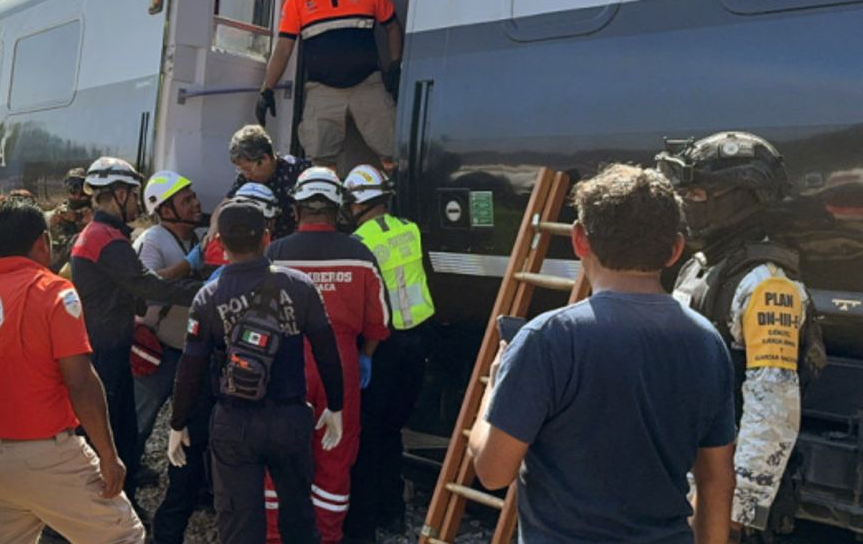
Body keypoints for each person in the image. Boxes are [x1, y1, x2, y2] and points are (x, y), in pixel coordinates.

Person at [468, 164, 736, 543]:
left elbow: (493, 472)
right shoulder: (707, 342)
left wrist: (492, 389)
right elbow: (717, 481)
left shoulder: (549, 338)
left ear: (579, 240)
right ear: (675, 250)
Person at [0, 196, 144, 543]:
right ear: (42, 243)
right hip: (50, 457)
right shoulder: (55, 291)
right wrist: (109, 456)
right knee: (124, 537)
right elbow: (80, 382)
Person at [658, 132, 826, 538]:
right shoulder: (699, 268)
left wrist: (740, 508)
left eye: (698, 194)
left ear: (742, 197)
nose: (687, 203)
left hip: (721, 495)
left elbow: (773, 403)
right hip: (688, 475)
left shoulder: (767, 286)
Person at [168, 200, 345, 543]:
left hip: (234, 423)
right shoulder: (300, 286)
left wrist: (178, 422)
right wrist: (335, 405)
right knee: (299, 520)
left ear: (218, 241)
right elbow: (327, 354)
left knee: (238, 526)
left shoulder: (208, 297)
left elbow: (189, 369)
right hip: (291, 419)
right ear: (266, 237)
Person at [264, 167, 389, 544]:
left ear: (297, 208)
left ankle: (274, 536)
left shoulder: (274, 254)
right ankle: (326, 537)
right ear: (338, 208)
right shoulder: (361, 255)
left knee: (278, 456)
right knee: (335, 458)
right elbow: (380, 324)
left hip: (285, 364)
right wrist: (364, 355)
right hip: (342, 363)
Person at [69, 157, 201, 507]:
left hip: (103, 350)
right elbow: (147, 286)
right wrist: (205, 292)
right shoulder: (106, 238)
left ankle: (115, 509)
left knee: (119, 435)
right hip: (105, 355)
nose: (138, 200)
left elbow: (130, 292)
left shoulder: (101, 235)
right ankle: (107, 515)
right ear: (117, 194)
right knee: (116, 438)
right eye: (133, 192)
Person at [256, 0, 402, 173]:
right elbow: (283, 48)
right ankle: (326, 208)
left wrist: (396, 65)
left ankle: (397, 203)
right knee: (321, 162)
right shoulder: (298, 0)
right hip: (322, 90)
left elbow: (392, 28)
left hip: (367, 84)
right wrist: (266, 89)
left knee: (394, 151)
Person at [341, 164, 434, 539]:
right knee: (393, 430)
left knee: (369, 433)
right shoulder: (409, 230)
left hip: (383, 345)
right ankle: (393, 511)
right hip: (417, 342)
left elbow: (366, 305)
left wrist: (363, 351)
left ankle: (366, 515)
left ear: (357, 203)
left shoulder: (360, 244)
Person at [131, 170, 205, 541]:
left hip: (184, 350)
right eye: (187, 198)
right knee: (139, 424)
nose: (195, 203)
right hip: (157, 350)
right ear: (165, 208)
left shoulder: (192, 237)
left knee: (185, 424)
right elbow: (146, 288)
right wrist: (190, 266)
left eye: (193, 197)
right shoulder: (153, 239)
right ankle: (123, 494)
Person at [226, 124, 311, 239]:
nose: (247, 175)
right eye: (241, 170)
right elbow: (226, 204)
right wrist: (214, 227)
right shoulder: (245, 177)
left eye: (248, 169)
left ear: (265, 159)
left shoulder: (298, 171)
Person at [46, 167, 92, 272]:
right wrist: (51, 221)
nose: (77, 196)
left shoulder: (95, 216)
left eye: (83, 192)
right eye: (73, 189)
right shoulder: (58, 215)